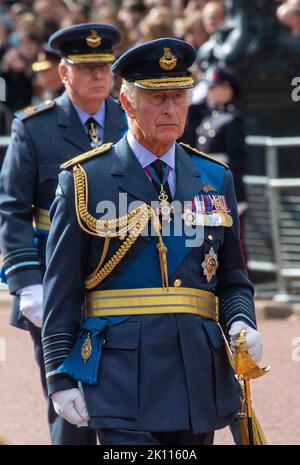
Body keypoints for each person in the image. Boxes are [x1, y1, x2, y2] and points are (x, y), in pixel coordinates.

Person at [41, 38, 263, 446]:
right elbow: (63, 290)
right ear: (125, 104)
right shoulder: (87, 180)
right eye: (157, 98)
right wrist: (58, 373)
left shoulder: (214, 177)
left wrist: (241, 321)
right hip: (118, 374)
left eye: (179, 96)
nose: (171, 109)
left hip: (197, 372)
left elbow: (232, 276)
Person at [0, 22, 127, 445]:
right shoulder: (34, 127)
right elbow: (12, 209)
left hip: (120, 277)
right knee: (68, 401)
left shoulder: (130, 123)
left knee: (127, 398)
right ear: (64, 73)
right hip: (54, 282)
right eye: (86, 67)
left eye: (104, 67)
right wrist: (26, 283)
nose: (97, 76)